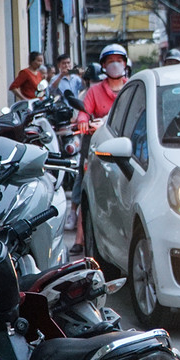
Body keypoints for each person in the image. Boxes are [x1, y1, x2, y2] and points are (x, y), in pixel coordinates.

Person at [72, 44, 131, 254]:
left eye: (119, 60)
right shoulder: (94, 91)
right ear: (104, 66)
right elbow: (83, 113)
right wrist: (83, 121)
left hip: (126, 148)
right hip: (97, 145)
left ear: (125, 64)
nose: (115, 64)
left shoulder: (131, 88)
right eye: (110, 61)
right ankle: (80, 238)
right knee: (87, 188)